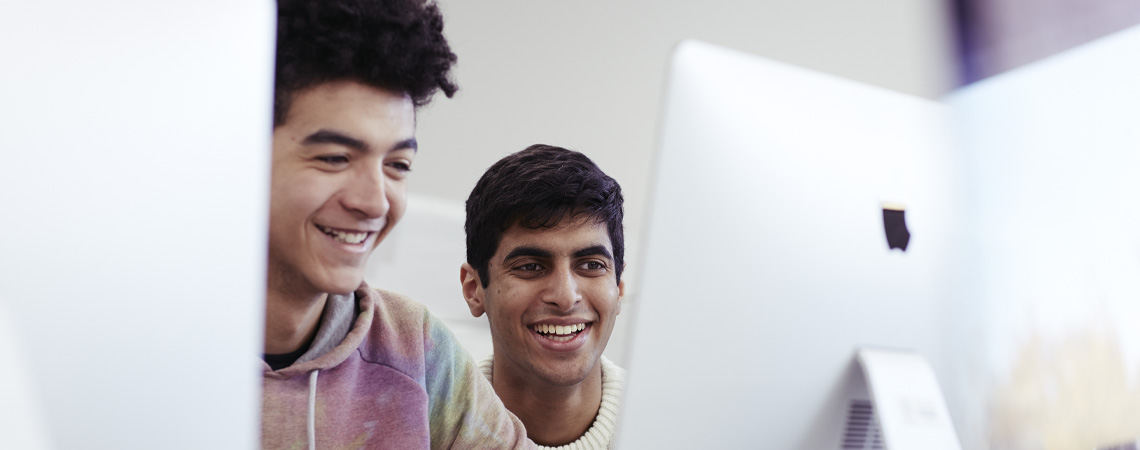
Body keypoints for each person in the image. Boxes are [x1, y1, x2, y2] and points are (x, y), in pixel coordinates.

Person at [261, 1, 534, 448]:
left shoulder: (416, 349)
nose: (373, 202)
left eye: (398, 164)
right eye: (335, 158)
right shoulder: (140, 346)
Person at [459, 145, 628, 449]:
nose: (565, 297)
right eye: (530, 267)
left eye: (591, 265)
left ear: (619, 289)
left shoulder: (681, 429)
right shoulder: (421, 432)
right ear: (474, 290)